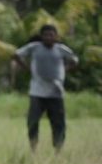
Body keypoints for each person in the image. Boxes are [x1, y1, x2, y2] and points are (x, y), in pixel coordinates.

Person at [13, 24, 77, 153]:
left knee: (58, 123)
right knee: (33, 122)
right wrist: (26, 68)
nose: (49, 37)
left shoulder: (61, 49)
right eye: (46, 35)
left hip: (56, 92)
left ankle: (58, 148)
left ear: (56, 36)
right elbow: (16, 55)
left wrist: (65, 70)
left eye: (51, 35)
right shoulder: (35, 48)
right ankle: (33, 147)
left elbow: (74, 60)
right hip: (37, 92)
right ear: (41, 36)